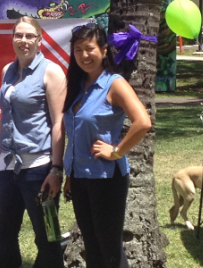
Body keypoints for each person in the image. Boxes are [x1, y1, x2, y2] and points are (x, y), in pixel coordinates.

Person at [62, 22, 150, 268]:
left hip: (106, 178)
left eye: (89, 48)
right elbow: (75, 134)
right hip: (80, 178)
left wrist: (116, 151)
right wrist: (70, 176)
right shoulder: (78, 85)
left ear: (103, 50)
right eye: (77, 49)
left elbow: (142, 122)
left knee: (109, 246)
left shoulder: (114, 83)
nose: (84, 55)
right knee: (91, 244)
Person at [0, 16, 66, 268]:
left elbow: (58, 124)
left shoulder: (51, 71)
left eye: (29, 36)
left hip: (39, 167)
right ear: (12, 39)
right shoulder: (7, 72)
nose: (23, 41)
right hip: (7, 168)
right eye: (18, 35)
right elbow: (4, 121)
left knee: (48, 237)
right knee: (5, 238)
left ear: (39, 41)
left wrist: (56, 169)